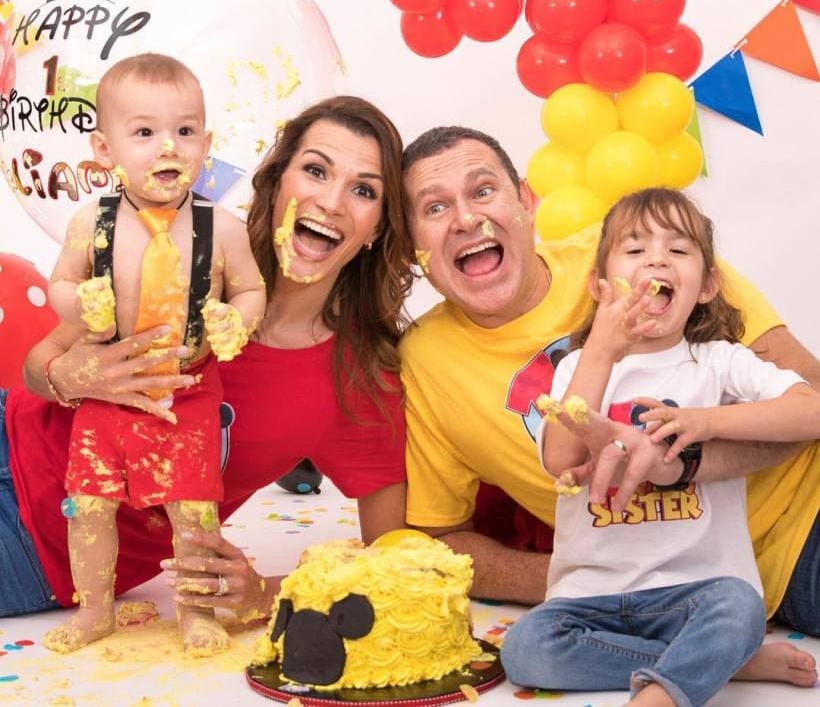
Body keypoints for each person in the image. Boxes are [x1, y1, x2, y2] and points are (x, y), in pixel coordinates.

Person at [399, 126, 820, 656]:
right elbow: (445, 538)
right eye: (434, 208)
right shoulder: (425, 360)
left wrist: (685, 460)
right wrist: (610, 585)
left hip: (807, 507)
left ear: (526, 201)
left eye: (483, 191)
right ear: (410, 241)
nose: (465, 218)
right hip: (722, 584)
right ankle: (722, 659)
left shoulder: (642, 247)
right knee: (528, 653)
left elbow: (813, 398)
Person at [5, 96, 412, 632]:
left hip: (39, 545)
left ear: (378, 228)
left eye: (364, 190)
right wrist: (68, 378)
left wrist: (266, 593)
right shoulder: (196, 246)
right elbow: (38, 364)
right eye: (315, 170)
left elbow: (394, 557)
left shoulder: (357, 378)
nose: (333, 202)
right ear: (276, 182)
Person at [499, 188, 820, 706]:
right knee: (526, 650)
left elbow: (812, 410)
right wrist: (601, 349)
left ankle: (663, 695)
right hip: (589, 595)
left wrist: (706, 422)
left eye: (678, 249)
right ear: (600, 286)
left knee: (739, 607)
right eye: (634, 248)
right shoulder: (574, 369)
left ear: (708, 284)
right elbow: (560, 459)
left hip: (699, 591)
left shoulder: (719, 362)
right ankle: (717, 663)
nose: (655, 258)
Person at [42, 54, 267, 656]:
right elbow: (60, 282)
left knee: (193, 513)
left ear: (207, 144)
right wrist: (79, 302)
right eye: (144, 132)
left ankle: (195, 611)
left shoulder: (222, 228)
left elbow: (249, 288)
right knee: (87, 507)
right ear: (105, 148)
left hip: (186, 391)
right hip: (107, 393)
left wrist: (234, 322)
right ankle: (95, 612)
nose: (168, 146)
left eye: (185, 130)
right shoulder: (91, 222)